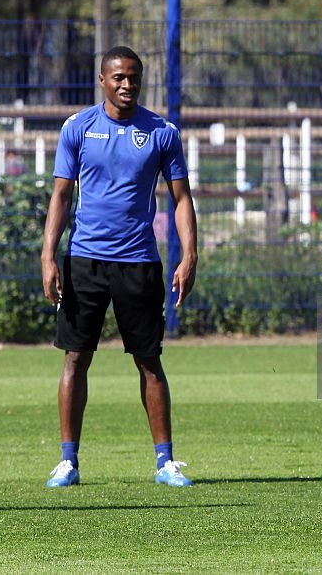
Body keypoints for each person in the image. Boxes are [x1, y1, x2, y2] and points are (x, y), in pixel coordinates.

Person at [40, 46, 198, 488]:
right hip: (85, 261)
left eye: (133, 77)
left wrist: (189, 255)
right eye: (118, 77)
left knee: (150, 361)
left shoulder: (161, 132)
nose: (126, 85)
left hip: (140, 262)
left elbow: (181, 198)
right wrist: (48, 254)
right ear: (102, 80)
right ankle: (68, 462)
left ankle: (165, 462)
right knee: (75, 358)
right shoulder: (78, 127)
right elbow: (60, 196)